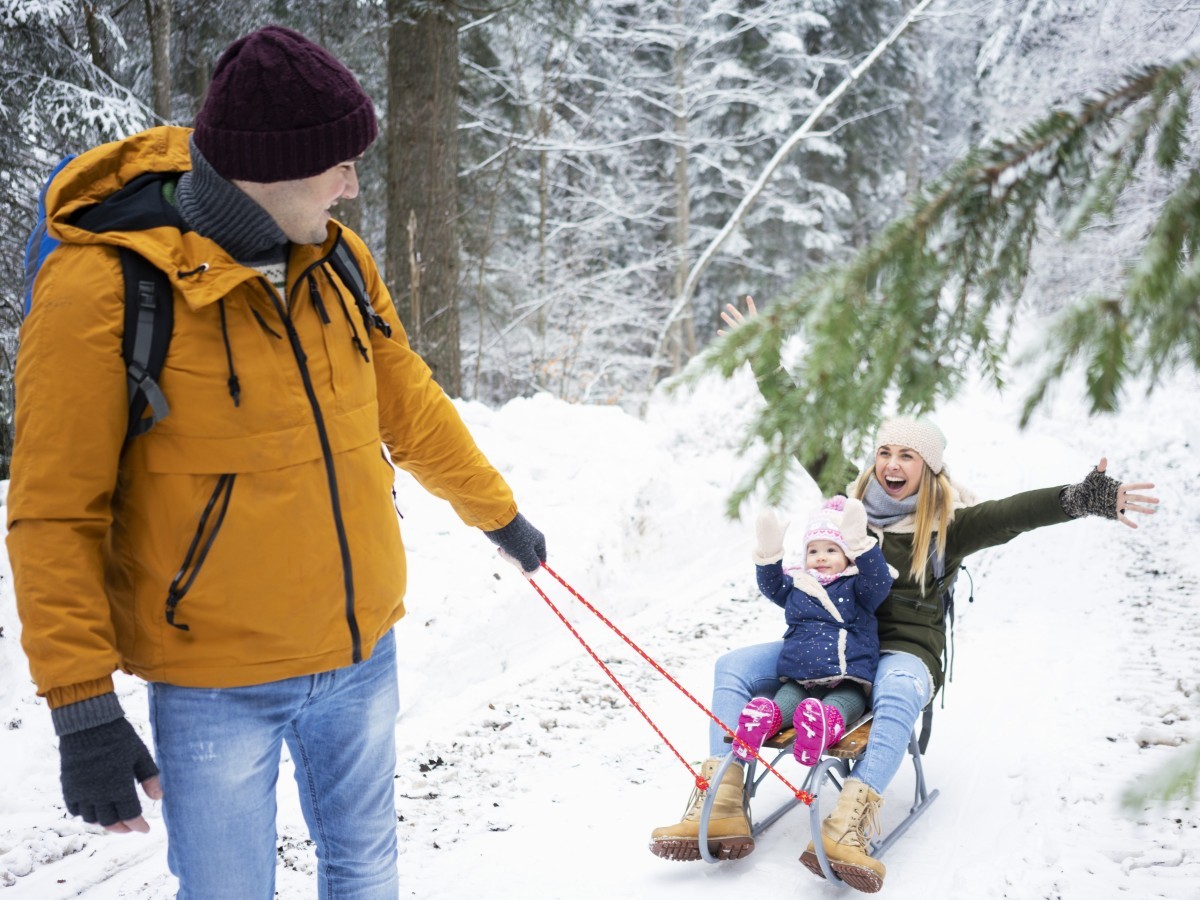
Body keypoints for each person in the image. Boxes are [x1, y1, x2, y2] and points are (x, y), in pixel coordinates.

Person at [7, 25, 546, 900]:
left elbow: (407, 404)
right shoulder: (102, 291)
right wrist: (81, 706)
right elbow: (53, 510)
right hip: (216, 682)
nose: (353, 184)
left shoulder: (335, 258)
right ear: (269, 169)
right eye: (337, 164)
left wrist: (497, 514)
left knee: (367, 869)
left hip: (360, 650)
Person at [649, 397, 1157, 892]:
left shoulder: (949, 525)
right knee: (733, 666)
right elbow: (812, 439)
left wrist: (1080, 498)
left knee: (897, 689)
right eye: (885, 452)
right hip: (831, 643)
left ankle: (848, 821)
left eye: (907, 456)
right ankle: (722, 803)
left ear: (929, 468)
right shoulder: (849, 503)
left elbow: (1012, 514)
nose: (892, 465)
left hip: (904, 650)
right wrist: (766, 362)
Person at [732, 496, 894, 768]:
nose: (821, 557)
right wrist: (770, 554)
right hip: (800, 677)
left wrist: (861, 545)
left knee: (845, 701)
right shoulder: (798, 585)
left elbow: (880, 579)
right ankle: (763, 721)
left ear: (848, 555)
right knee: (787, 699)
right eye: (813, 550)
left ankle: (823, 726)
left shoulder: (857, 588)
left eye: (832, 550)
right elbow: (771, 585)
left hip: (846, 675)